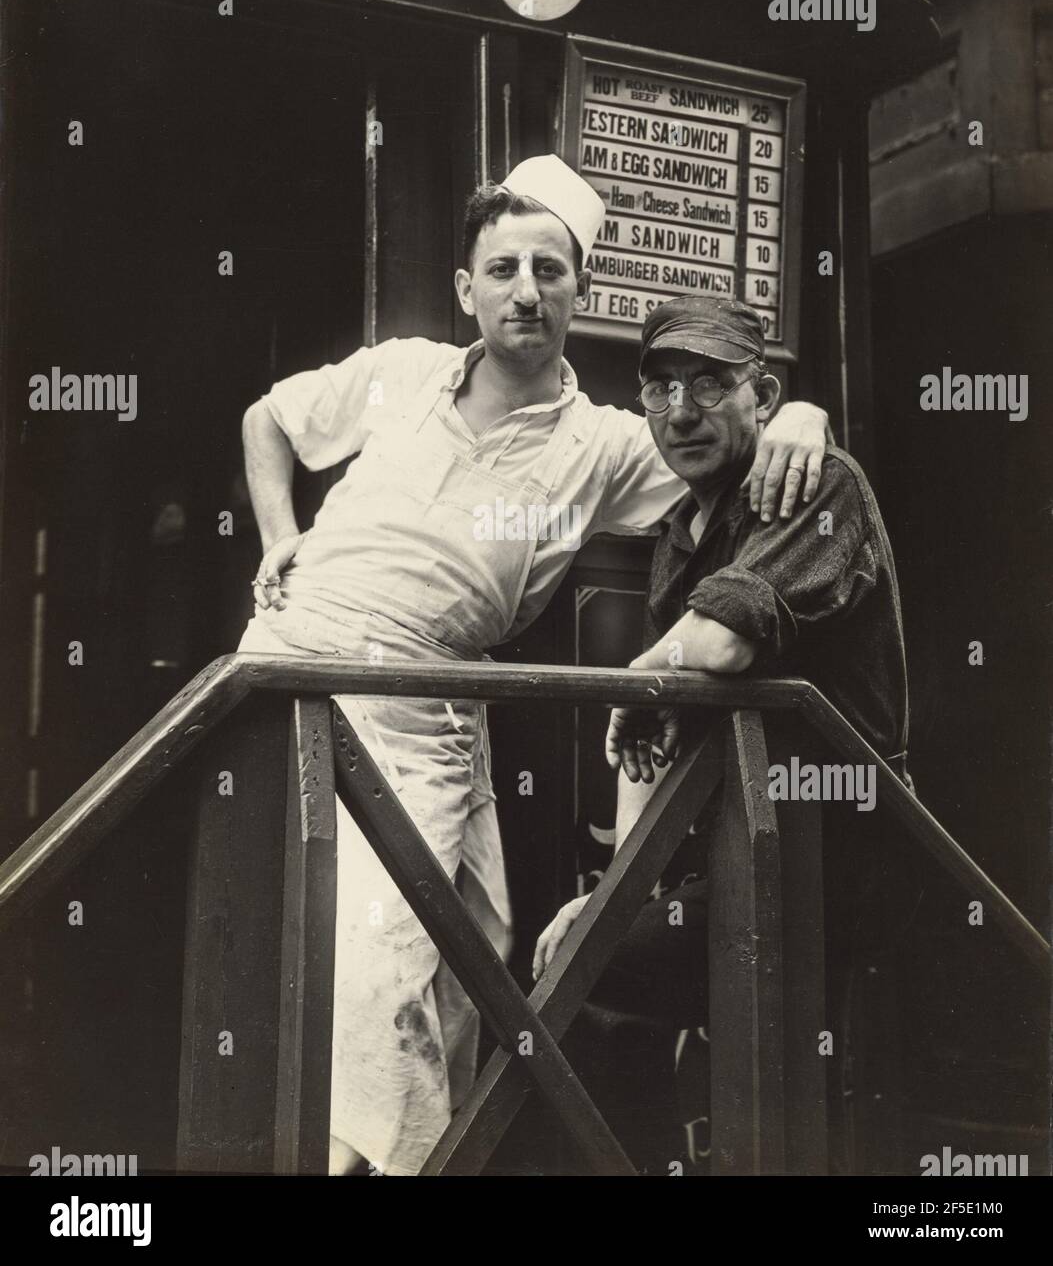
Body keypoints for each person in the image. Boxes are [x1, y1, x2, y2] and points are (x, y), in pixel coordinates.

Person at [237, 159, 830, 1176]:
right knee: (358, 971)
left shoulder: (605, 442)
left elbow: (735, 448)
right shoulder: (402, 369)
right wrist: (278, 532)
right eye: (502, 267)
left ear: (578, 292)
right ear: (466, 289)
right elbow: (271, 420)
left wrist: (805, 416)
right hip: (292, 666)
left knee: (469, 960)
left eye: (549, 270)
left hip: (424, 702)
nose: (526, 288)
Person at [532, 293, 910, 1172]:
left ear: (763, 397)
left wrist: (641, 681)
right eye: (659, 389)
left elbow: (718, 641)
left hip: (838, 859)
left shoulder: (817, 482)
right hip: (743, 857)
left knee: (587, 978)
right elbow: (652, 749)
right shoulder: (680, 530)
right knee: (574, 962)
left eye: (708, 384)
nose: (681, 412)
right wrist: (615, 893)